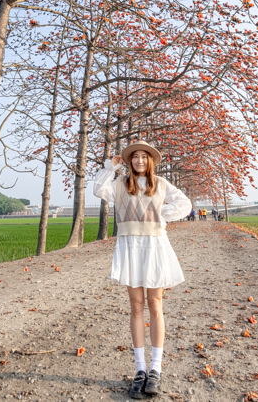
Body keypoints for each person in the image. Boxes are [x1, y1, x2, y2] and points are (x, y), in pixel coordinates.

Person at [93, 140, 192, 399]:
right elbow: (97, 189)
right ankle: (140, 369)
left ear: (150, 161)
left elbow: (185, 204)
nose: (139, 160)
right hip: (130, 247)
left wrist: (160, 214)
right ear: (129, 161)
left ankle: (156, 369)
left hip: (154, 247)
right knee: (136, 307)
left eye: (143, 157)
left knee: (155, 304)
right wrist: (110, 167)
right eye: (134, 156)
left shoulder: (160, 184)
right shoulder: (120, 184)